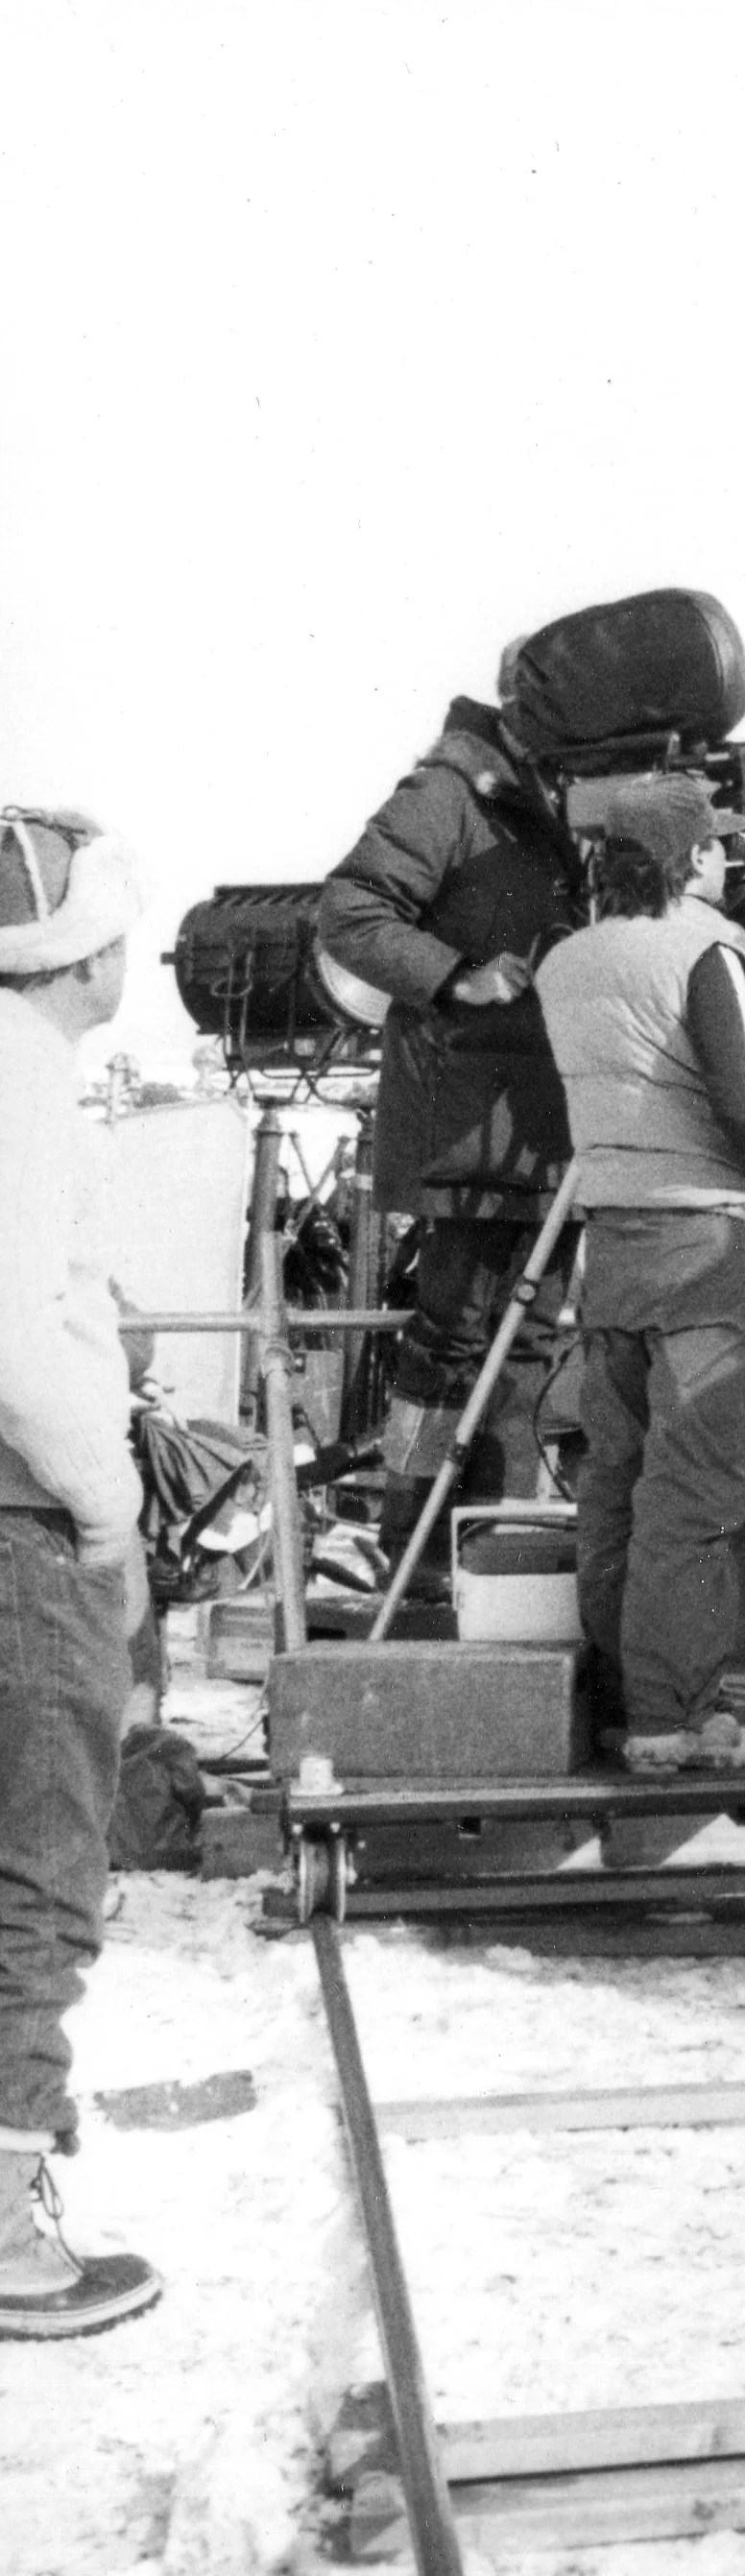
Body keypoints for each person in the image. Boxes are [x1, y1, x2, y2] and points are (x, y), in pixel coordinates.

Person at [532, 776, 745, 1771]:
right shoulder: (708, 952)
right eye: (720, 847)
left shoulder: (564, 961)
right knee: (692, 1493)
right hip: (702, 1247)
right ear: (691, 859)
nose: (734, 861)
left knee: (616, 1479)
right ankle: (670, 1719)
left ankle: (626, 1701)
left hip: (610, 1244)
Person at [316, 673, 591, 1579]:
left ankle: (502, 1546)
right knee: (454, 1341)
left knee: (533, 1344)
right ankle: (416, 1550)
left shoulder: (561, 801)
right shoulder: (447, 794)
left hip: (547, 1133)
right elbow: (350, 910)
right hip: (469, 1128)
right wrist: (456, 973)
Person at [0, 805, 161, 2339]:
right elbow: (15, 1335)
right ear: (84, 948)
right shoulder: (28, 1078)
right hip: (18, 1526)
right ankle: (5, 2236)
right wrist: (106, 1507)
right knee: (37, 1871)